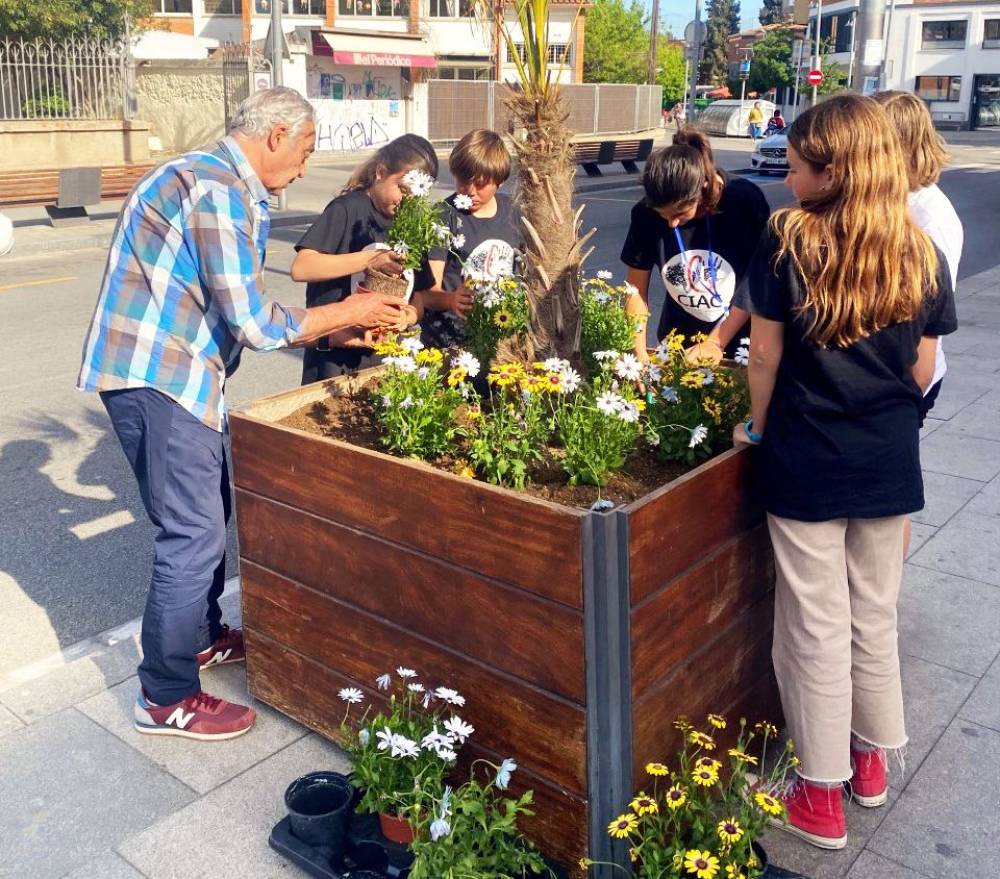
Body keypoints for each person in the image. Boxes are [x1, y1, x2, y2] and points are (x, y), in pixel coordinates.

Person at [77, 88, 406, 741]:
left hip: (175, 377)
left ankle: (199, 636)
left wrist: (338, 324)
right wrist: (351, 312)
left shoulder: (209, 179)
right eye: (306, 151)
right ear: (277, 134)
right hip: (161, 378)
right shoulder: (217, 190)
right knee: (193, 534)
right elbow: (255, 321)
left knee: (208, 514)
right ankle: (164, 695)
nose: (306, 169)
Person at [734, 94, 956, 849]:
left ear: (831, 171)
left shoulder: (786, 242)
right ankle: (869, 767)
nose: (787, 180)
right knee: (874, 612)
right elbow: (925, 365)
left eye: (795, 167)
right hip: (888, 457)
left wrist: (757, 425)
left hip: (805, 457)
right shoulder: (916, 249)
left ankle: (819, 797)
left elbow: (763, 354)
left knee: (814, 625)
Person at [291, 134, 436, 383]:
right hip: (332, 363)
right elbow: (302, 267)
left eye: (416, 194)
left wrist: (408, 316)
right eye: (402, 189)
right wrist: (369, 260)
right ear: (380, 173)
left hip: (385, 365)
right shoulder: (347, 209)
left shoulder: (412, 224)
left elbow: (418, 297)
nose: (407, 201)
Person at [619, 128, 770, 364]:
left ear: (703, 188)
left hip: (739, 347)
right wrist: (637, 349)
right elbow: (636, 290)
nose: (672, 223)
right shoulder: (645, 214)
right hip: (677, 345)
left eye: (680, 213)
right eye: (663, 215)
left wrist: (715, 342)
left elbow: (759, 282)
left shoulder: (744, 201)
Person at [417, 128, 522, 349]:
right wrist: (451, 300)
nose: (470, 192)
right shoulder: (443, 215)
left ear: (500, 181)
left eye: (481, 184)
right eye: (463, 181)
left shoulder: (513, 212)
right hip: (449, 340)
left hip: (500, 336)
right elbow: (426, 294)